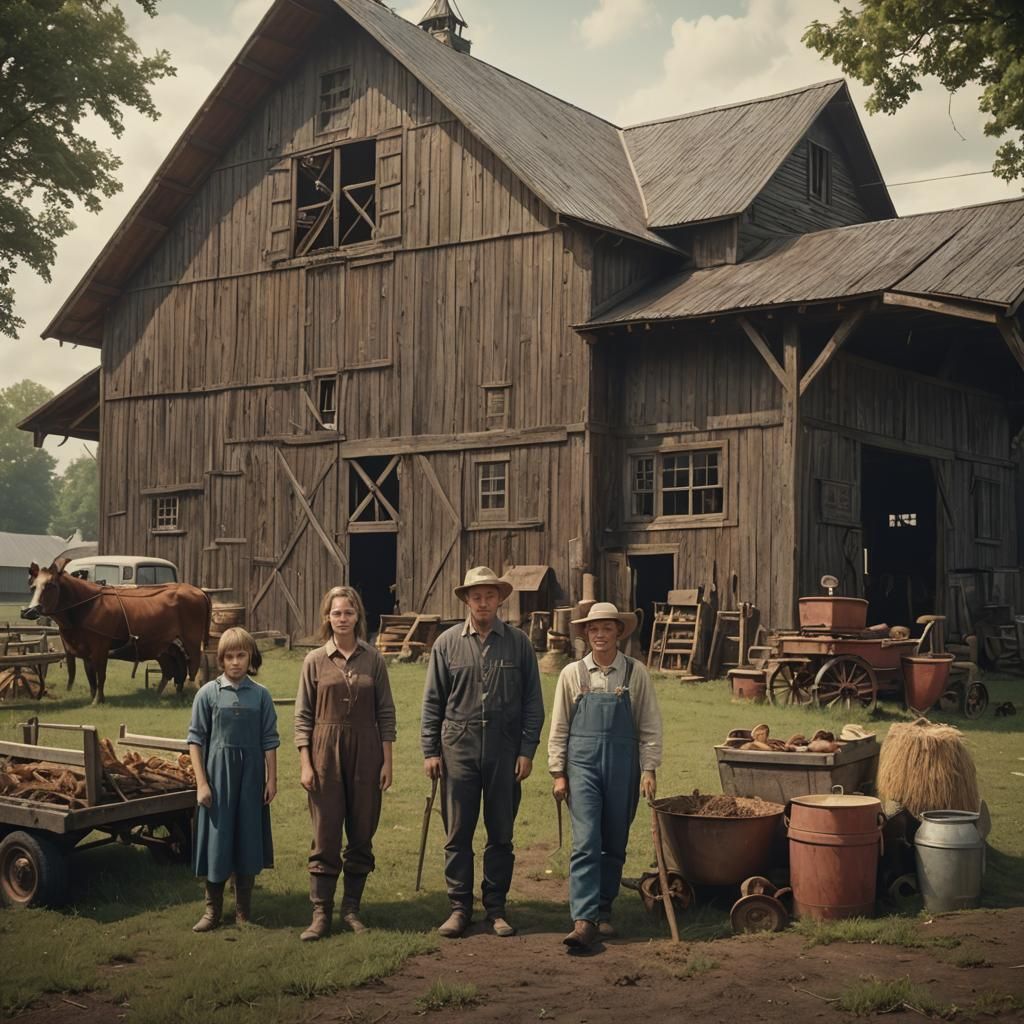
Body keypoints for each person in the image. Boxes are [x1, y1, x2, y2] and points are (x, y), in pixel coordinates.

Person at [421, 566, 545, 938]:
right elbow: (432, 703)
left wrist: (526, 750)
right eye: (476, 596)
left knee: (501, 833)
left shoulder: (518, 642)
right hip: (457, 748)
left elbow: (533, 703)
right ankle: (459, 908)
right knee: (457, 833)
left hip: (504, 752)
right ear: (466, 600)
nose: (484, 602)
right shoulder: (446, 644)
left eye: (490, 595)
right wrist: (431, 750)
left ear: (500, 599)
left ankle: (496, 908)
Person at [548, 602, 662, 950]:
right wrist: (558, 772)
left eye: (607, 629)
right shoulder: (572, 674)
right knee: (586, 842)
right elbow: (559, 726)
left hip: (623, 766)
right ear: (585, 634)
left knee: (614, 841)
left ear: (619, 632)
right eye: (593, 629)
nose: (599, 635)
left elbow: (649, 725)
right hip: (581, 767)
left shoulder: (634, 673)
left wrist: (649, 768)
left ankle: (603, 910)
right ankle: (583, 919)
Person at [295, 585, 396, 940]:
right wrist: (306, 764)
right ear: (328, 617)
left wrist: (387, 762)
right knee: (325, 832)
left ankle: (351, 909)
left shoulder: (374, 659)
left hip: (367, 751)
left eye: (348, 613)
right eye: (336, 613)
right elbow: (302, 717)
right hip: (325, 752)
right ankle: (320, 914)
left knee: (362, 832)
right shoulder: (314, 660)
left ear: (357, 617)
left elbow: (386, 713)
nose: (342, 618)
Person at [188, 626, 279, 932]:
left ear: (251, 656)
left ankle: (243, 912)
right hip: (218, 779)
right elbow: (195, 740)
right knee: (218, 839)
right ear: (221, 659)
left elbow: (269, 740)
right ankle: (212, 911)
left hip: (251, 778)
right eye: (230, 656)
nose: (236, 662)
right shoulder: (208, 694)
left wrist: (272, 779)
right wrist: (202, 783)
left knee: (247, 837)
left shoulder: (261, 695)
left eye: (242, 655)